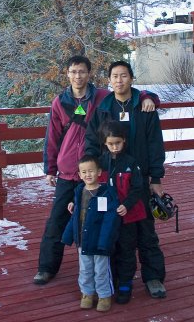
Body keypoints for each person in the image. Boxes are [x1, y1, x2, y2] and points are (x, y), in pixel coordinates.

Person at [33, 55, 159, 285]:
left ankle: (111, 275)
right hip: (71, 170)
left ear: (89, 74)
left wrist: (150, 96)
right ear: (67, 74)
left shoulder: (100, 97)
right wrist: (50, 167)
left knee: (113, 221)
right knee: (57, 220)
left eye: (82, 71)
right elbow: (52, 137)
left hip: (101, 174)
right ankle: (47, 267)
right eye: (73, 72)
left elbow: (128, 90)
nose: (78, 76)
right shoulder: (60, 102)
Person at [85, 60, 166, 301]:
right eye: (114, 76)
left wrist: (156, 178)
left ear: (131, 78)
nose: (119, 80)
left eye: (123, 75)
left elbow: (155, 144)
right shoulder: (103, 108)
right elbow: (91, 142)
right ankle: (120, 280)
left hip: (138, 178)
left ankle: (153, 277)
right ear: (109, 81)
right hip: (109, 179)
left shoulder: (144, 106)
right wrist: (91, 173)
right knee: (114, 229)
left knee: (145, 230)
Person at [62, 155, 121, 312]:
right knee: (85, 269)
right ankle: (87, 293)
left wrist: (104, 241)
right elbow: (75, 217)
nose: (88, 175)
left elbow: (110, 219)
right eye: (84, 172)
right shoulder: (79, 191)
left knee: (101, 270)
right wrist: (69, 235)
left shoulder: (106, 193)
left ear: (99, 172)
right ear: (79, 175)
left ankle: (104, 295)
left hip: (100, 241)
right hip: (83, 240)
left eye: (91, 171)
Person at [98, 120, 147, 304]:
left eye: (118, 143)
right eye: (110, 143)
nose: (115, 147)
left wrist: (126, 204)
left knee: (127, 249)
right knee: (110, 248)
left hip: (128, 216)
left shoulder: (131, 163)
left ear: (124, 141)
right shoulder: (101, 162)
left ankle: (125, 283)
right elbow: (94, 187)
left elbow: (137, 188)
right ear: (105, 143)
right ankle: (113, 280)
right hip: (108, 218)